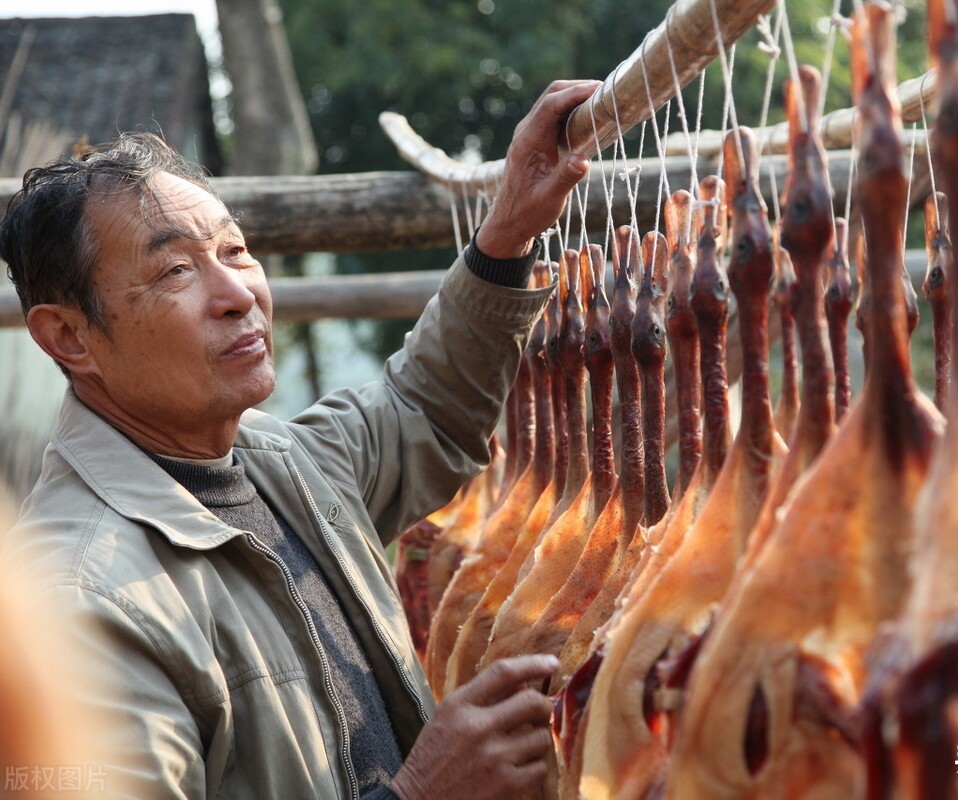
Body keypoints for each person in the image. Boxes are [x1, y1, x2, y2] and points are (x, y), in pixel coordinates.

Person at [0, 78, 600, 799]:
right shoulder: (81, 600)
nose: (237, 293)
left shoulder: (278, 463)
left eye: (236, 249)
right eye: (177, 270)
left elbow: (424, 409)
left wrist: (507, 231)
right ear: (68, 337)